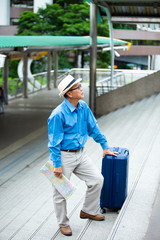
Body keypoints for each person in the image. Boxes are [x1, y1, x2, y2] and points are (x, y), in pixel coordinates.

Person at [48, 75, 118, 236]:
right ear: (69, 94)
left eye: (80, 86)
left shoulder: (83, 107)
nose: (81, 88)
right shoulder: (57, 115)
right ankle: (63, 223)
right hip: (63, 156)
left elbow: (94, 127)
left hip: (81, 153)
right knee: (60, 192)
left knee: (97, 180)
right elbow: (53, 143)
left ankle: (88, 210)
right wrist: (57, 164)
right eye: (78, 87)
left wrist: (105, 146)